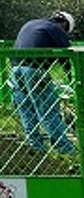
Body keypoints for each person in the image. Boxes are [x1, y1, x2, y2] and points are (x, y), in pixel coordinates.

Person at [10, 10, 76, 154]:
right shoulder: (57, 29)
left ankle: (36, 147)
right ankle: (66, 149)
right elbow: (67, 58)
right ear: (65, 24)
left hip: (15, 70)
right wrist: (73, 80)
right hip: (34, 70)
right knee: (48, 110)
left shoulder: (31, 23)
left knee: (27, 109)